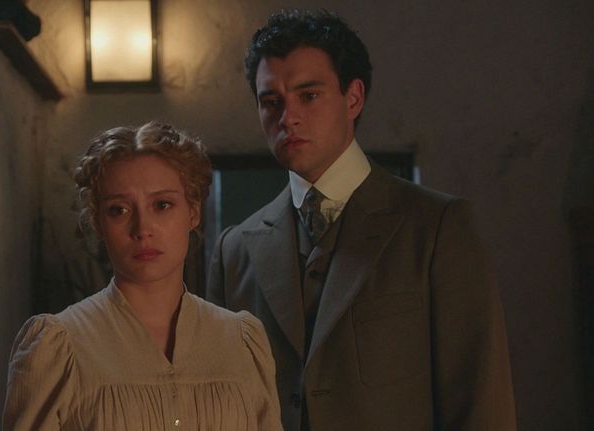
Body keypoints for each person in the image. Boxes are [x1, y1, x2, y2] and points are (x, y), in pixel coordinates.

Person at [206, 10, 516, 431]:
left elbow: (479, 401)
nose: (287, 117)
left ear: (353, 98)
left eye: (308, 95)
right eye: (271, 102)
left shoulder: (436, 227)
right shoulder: (234, 250)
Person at [3, 122, 282, 430]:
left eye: (162, 205)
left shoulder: (241, 341)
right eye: (119, 210)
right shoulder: (59, 346)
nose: (142, 229)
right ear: (98, 222)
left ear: (193, 212)